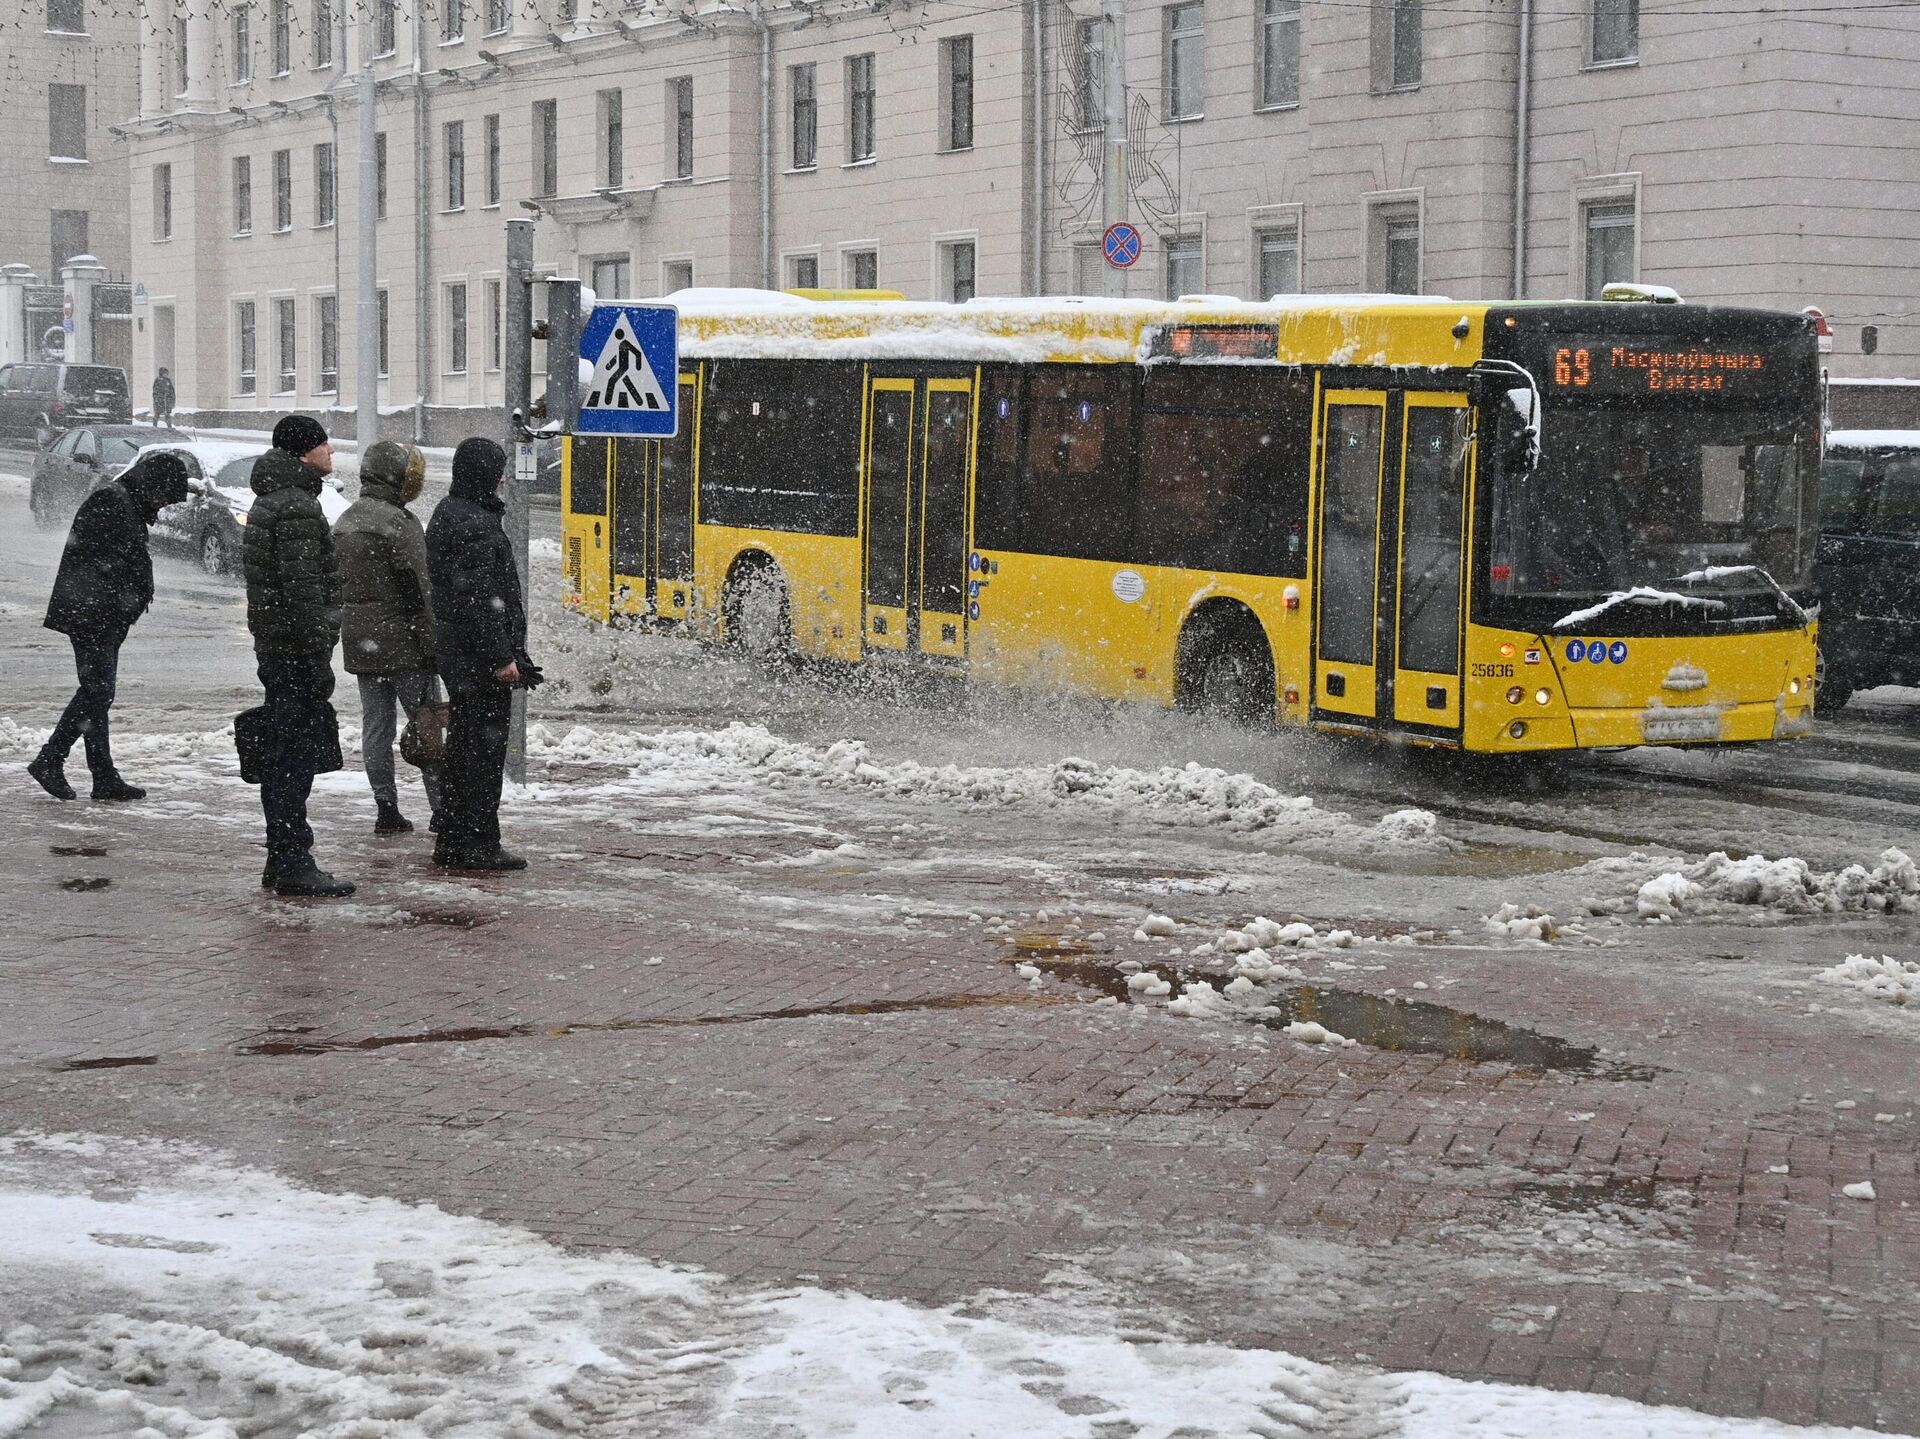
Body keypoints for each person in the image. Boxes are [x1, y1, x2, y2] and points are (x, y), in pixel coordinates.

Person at [28, 451, 190, 802]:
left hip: (100, 615)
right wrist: (120, 605)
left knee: (97, 692)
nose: (162, 506)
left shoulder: (125, 500)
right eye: (163, 496)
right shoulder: (111, 502)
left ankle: (102, 776)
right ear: (152, 484)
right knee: (97, 692)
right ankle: (50, 759)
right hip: (92, 615)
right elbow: (103, 565)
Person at [245, 415, 354, 897]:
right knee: (292, 756)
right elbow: (304, 594)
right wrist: (317, 658)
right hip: (294, 650)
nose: (330, 449)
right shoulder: (296, 508)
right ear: (301, 453)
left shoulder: (274, 498)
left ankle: (282, 856)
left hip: (276, 646)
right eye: (321, 443)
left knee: (282, 751)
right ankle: (292, 861)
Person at [426, 437, 537, 871]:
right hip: (477, 658)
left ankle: (454, 839)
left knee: (464, 748)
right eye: (498, 470)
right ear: (485, 474)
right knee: (482, 754)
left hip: (458, 652)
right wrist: (501, 658)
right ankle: (478, 842)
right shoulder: (475, 522)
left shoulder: (451, 510)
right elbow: (478, 598)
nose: (504, 477)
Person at [334, 439, 444, 835]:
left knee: (376, 727)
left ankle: (385, 807)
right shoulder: (401, 523)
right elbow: (419, 590)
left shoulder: (345, 520)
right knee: (427, 723)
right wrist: (432, 647)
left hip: (363, 644)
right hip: (406, 645)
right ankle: (441, 808)